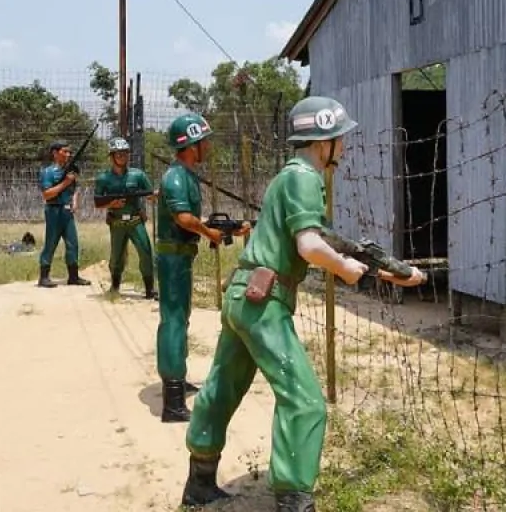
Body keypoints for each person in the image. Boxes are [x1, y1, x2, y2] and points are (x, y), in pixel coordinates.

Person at [179, 96, 427, 511]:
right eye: (339, 139)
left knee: (224, 385)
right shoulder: (305, 178)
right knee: (304, 398)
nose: (343, 148)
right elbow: (310, 245)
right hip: (265, 301)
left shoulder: (286, 178)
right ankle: (294, 499)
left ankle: (199, 481)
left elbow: (325, 240)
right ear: (322, 142)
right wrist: (345, 270)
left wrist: (381, 267)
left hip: (244, 294)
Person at [155, 113, 250, 423]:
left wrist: (224, 227)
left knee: (181, 318)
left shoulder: (185, 175)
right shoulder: (176, 178)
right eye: (203, 141)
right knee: (173, 320)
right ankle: (172, 401)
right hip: (172, 257)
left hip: (181, 255)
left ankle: (178, 380)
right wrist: (209, 232)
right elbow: (183, 219)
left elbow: (189, 221)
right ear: (191, 144)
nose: (208, 146)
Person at [93, 137, 158, 299]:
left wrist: (158, 194)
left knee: (145, 253)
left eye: (125, 153)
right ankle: (115, 287)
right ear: (112, 156)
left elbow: (149, 195)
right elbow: (97, 202)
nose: (122, 156)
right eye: (118, 154)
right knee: (116, 257)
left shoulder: (138, 175)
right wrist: (112, 203)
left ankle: (149, 289)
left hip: (136, 221)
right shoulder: (103, 178)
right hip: (117, 222)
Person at [37, 141, 91, 288]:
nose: (68, 154)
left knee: (73, 243)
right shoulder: (48, 172)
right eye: (64, 151)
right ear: (55, 153)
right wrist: (65, 183)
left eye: (69, 152)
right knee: (51, 242)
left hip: (67, 211)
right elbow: (47, 194)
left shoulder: (70, 170)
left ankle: (73, 276)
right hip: (54, 210)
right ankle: (44, 276)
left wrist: (74, 201)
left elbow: (74, 188)